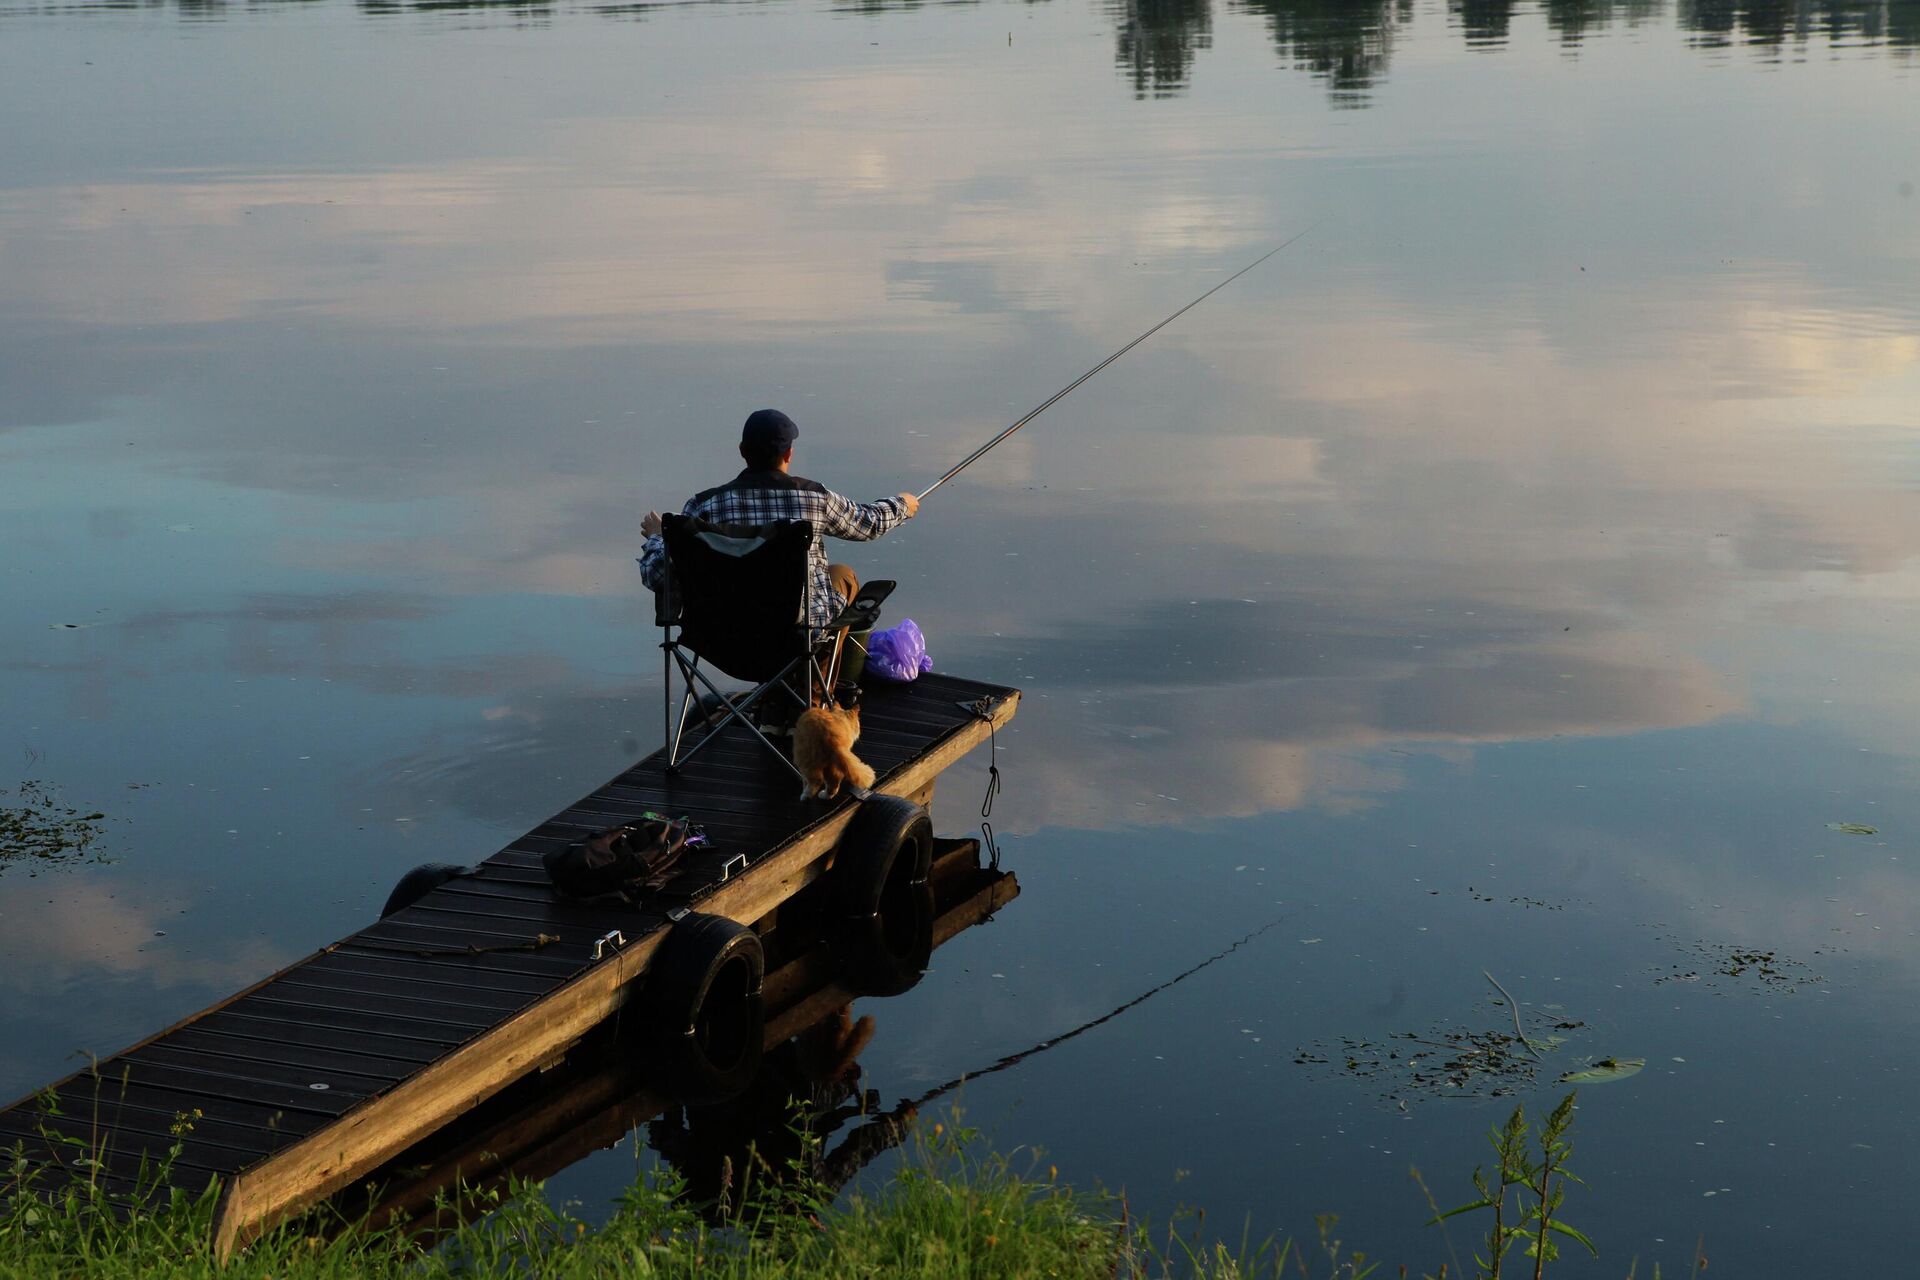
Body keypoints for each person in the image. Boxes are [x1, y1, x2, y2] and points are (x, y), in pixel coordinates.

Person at [638, 407, 919, 632]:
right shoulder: (813, 499)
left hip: (719, 639)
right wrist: (902, 504)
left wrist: (656, 537)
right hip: (793, 637)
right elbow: (867, 524)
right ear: (788, 454)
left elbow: (657, 575)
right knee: (842, 574)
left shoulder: (704, 506)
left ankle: (784, 694)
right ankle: (815, 695)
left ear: (742, 450)